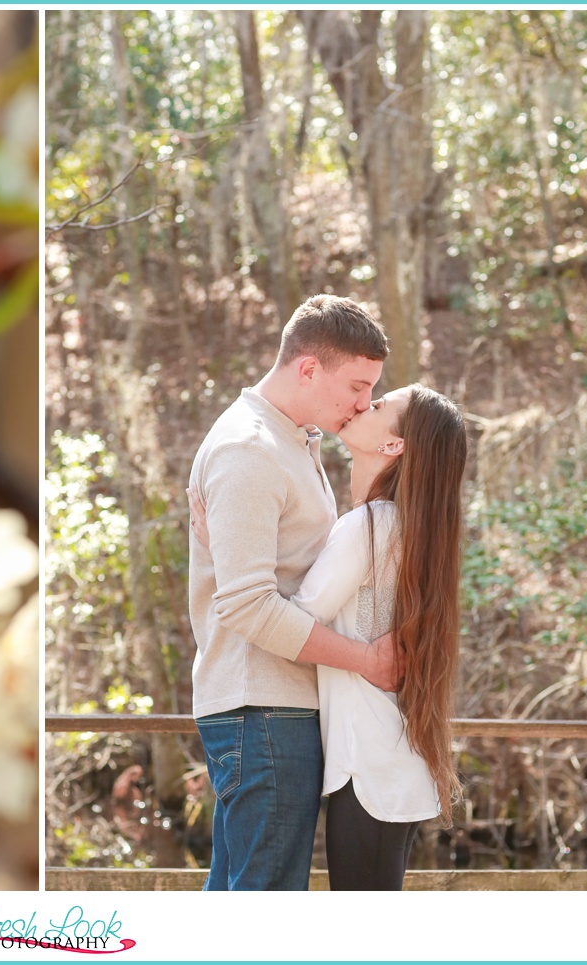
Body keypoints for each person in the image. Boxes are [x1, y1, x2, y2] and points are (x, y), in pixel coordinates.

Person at [190, 383, 468, 890]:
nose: (364, 402)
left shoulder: (369, 525)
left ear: (393, 446)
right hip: (385, 759)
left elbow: (289, 615)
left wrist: (227, 546)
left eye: (379, 404)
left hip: (370, 766)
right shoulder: (398, 525)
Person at [186, 294, 401, 892]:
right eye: (357, 386)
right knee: (269, 904)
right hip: (264, 709)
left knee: (242, 896)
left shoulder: (291, 442)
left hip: (273, 706)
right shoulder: (249, 449)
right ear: (308, 368)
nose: (364, 404)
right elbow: (248, 604)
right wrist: (369, 661)